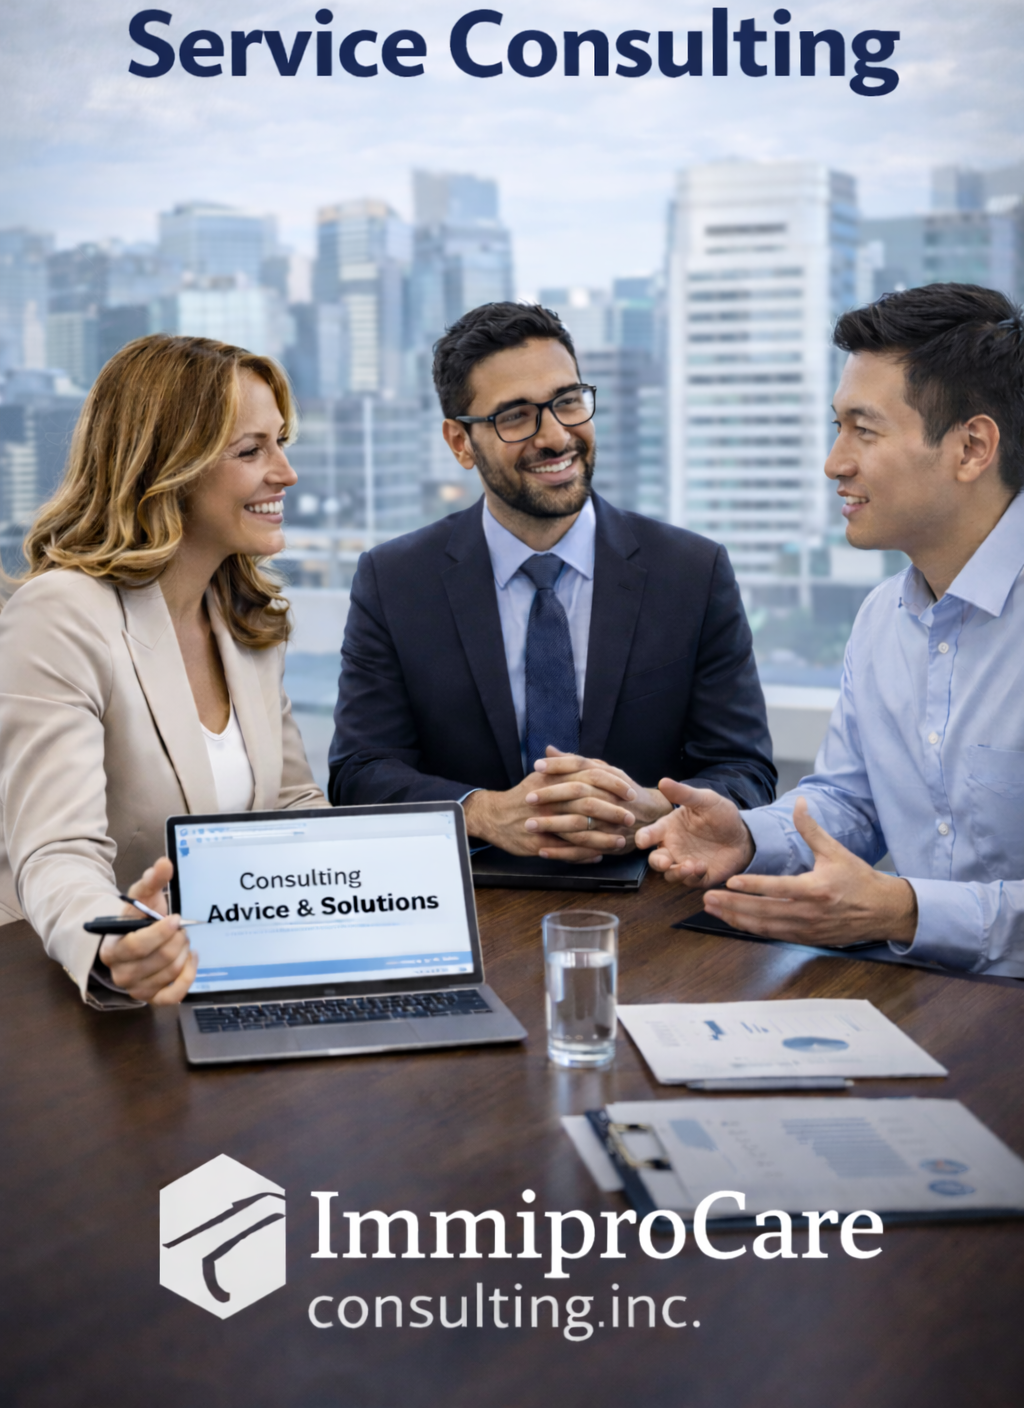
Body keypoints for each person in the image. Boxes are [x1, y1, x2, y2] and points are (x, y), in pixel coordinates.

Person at [637, 282, 1024, 976]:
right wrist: (746, 838)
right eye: (835, 425)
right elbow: (849, 799)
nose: (834, 462)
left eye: (863, 429)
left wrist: (905, 910)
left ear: (971, 448)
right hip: (917, 995)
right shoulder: (883, 618)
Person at [329, 301, 775, 860]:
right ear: (460, 443)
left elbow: (746, 770)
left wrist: (654, 808)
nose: (555, 436)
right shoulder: (394, 580)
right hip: (474, 902)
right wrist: (485, 813)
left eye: (567, 402)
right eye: (515, 416)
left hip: (653, 896)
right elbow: (359, 774)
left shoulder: (692, 571)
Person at [0, 334, 327, 1009]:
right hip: (66, 1000)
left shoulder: (244, 616)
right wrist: (113, 944)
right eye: (251, 450)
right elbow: (56, 850)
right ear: (169, 467)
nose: (286, 473)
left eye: (281, 442)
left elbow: (293, 808)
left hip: (216, 981)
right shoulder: (60, 615)